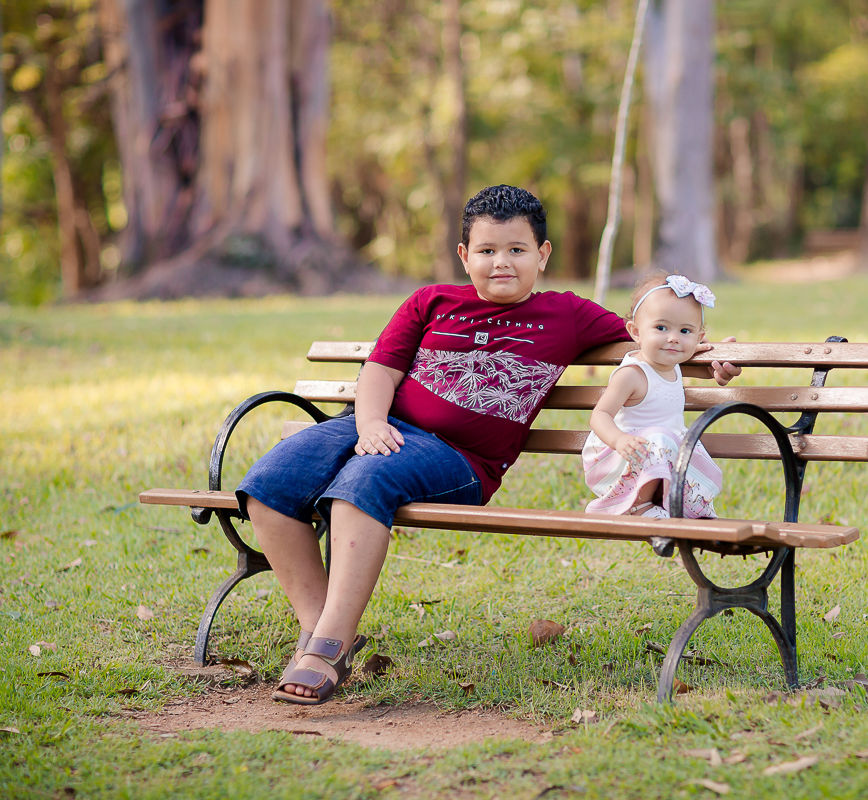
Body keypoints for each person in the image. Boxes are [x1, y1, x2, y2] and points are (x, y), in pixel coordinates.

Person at [237, 185, 740, 705]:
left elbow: (655, 338)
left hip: (460, 458)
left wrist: (709, 354)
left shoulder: (566, 314)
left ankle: (329, 647)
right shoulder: (431, 301)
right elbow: (381, 371)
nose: (502, 263)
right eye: (487, 251)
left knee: (364, 481)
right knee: (269, 481)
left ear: (543, 255)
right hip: (378, 425)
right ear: (464, 256)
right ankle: (316, 622)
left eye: (517, 250)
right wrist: (368, 425)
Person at [583, 274, 722, 520]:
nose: (673, 338)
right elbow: (600, 415)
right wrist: (619, 440)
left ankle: (681, 506)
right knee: (658, 439)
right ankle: (638, 506)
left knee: (685, 448)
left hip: (661, 453)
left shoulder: (673, 362)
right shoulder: (632, 374)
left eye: (685, 331)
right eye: (661, 328)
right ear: (635, 332)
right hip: (625, 456)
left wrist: (717, 359)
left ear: (699, 338)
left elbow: (701, 361)